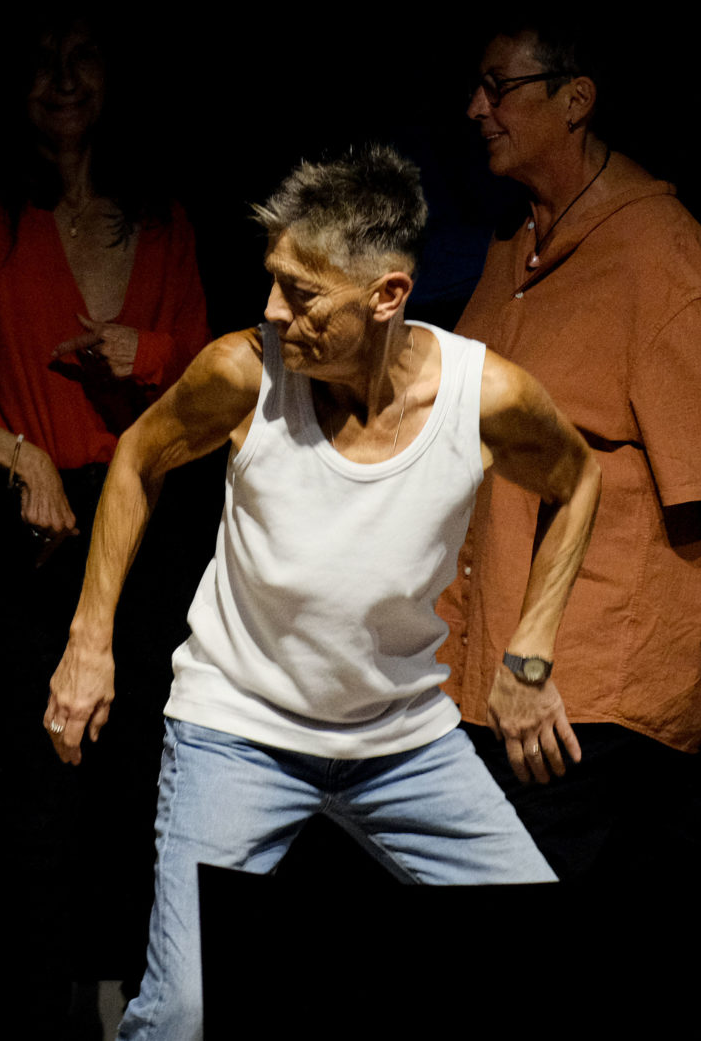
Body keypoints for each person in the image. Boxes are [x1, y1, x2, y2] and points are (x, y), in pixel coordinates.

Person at [44, 144, 604, 1038]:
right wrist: (88, 638)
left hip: (402, 739)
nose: (274, 308)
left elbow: (578, 480)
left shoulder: (483, 395)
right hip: (239, 729)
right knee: (184, 1009)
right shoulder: (245, 371)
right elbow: (140, 454)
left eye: (302, 293)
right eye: (273, 279)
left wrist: (530, 654)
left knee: (537, 960)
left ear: (387, 295)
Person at [441, 20, 701, 1033]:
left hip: (591, 673)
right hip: (498, 653)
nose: (476, 108)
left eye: (499, 86)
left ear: (575, 98)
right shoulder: (516, 244)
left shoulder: (662, 258)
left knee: (542, 931)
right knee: (658, 919)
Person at [0, 16, 210, 995]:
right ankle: (40, 1004)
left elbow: (211, 381)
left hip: (140, 532)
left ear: (114, 75)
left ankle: (132, 999)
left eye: (83, 57)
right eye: (41, 62)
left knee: (139, 778)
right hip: (18, 539)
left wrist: (146, 354)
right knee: (27, 796)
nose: (62, 80)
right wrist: (18, 453)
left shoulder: (162, 217)